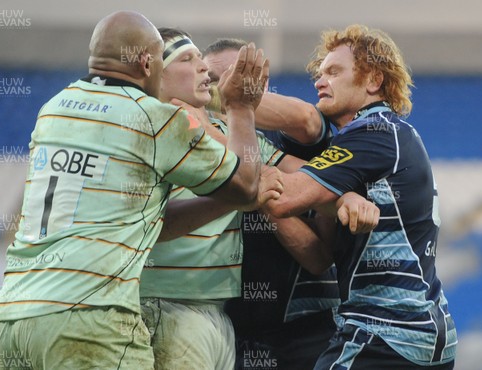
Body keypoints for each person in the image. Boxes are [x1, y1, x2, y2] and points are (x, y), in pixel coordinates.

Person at [0, 11, 272, 369]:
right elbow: (246, 184)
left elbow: (147, 217)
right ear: (147, 63)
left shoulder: (54, 110)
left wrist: (221, 201)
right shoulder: (154, 119)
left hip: (13, 315)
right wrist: (241, 108)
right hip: (89, 319)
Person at [139, 29, 377, 370]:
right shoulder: (154, 125)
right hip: (175, 307)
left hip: (293, 327)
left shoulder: (262, 136)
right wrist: (249, 184)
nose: (214, 80)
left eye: (239, 77)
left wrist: (344, 198)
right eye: (196, 65)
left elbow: (307, 136)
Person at [263, 24, 457, 368]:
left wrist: (236, 133)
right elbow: (322, 252)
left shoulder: (373, 131)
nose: (320, 81)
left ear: (373, 81)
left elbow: (282, 197)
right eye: (320, 74)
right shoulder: (387, 135)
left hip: (386, 331)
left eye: (334, 71)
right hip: (422, 329)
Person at [203, 38, 343, 370]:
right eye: (211, 81)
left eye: (237, 79)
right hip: (231, 330)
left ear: (263, 84)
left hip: (306, 328)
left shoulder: (289, 136)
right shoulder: (194, 142)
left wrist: (256, 189)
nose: (224, 89)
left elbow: (309, 119)